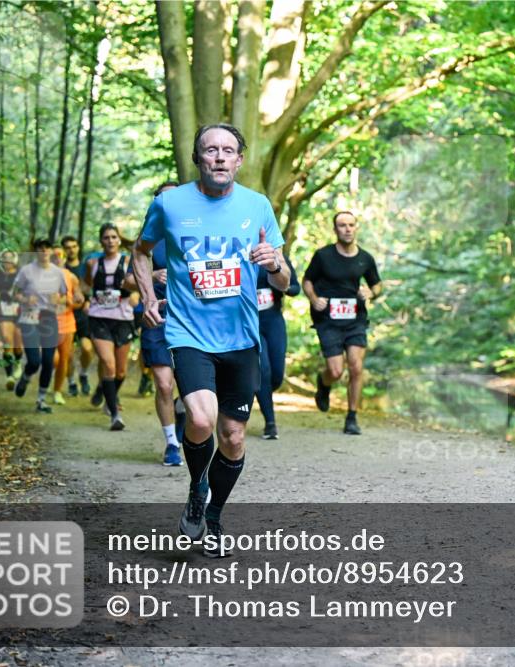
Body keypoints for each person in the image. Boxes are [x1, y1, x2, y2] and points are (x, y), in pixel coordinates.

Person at [134, 123, 289, 557]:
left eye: (227, 151)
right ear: (198, 159)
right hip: (189, 333)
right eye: (210, 150)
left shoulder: (257, 207)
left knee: (234, 437)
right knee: (200, 421)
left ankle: (214, 513)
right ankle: (195, 490)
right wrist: (149, 296)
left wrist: (273, 262)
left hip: (241, 338)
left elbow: (283, 279)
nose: (219, 157)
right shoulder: (169, 203)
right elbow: (140, 251)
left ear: (239, 160)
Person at [303, 211, 382, 435]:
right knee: (336, 371)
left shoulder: (365, 258)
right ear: (335, 229)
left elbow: (377, 284)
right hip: (328, 319)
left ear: (356, 228)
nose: (347, 229)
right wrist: (314, 299)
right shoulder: (323, 256)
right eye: (342, 225)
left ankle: (352, 417)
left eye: (350, 225)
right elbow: (307, 280)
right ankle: (324, 382)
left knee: (356, 366)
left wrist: (371, 292)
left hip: (355, 319)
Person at [125, 180, 183, 466]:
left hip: (191, 319)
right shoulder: (147, 240)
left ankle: (183, 412)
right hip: (157, 317)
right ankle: (172, 442)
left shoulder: (194, 232)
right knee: (163, 384)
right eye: (163, 198)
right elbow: (127, 279)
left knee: (189, 386)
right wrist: (153, 275)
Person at [85, 223, 135, 431]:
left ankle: (104, 391)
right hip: (99, 318)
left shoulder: (127, 261)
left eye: (114, 237)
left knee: (121, 372)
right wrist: (83, 297)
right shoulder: (92, 263)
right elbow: (86, 284)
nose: (111, 241)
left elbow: (137, 283)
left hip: (123, 319)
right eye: (106, 237)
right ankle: (115, 414)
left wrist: (135, 294)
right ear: (101, 241)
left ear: (119, 240)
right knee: (109, 364)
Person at [12, 239, 67, 413]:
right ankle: (26, 378)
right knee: (34, 361)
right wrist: (25, 299)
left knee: (48, 361)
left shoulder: (58, 273)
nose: (44, 252)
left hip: (48, 317)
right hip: (29, 317)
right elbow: (15, 293)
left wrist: (58, 300)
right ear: (36, 251)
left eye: (47, 249)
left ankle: (41, 400)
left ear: (52, 251)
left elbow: (65, 297)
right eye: (40, 249)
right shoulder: (26, 271)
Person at [253, 254, 300, 439]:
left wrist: (285, 286)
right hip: (249, 322)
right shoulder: (236, 255)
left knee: (276, 375)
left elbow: (295, 287)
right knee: (263, 369)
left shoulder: (277, 256)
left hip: (273, 320)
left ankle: (259, 391)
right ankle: (270, 423)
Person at [51, 247, 84, 405]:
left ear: (64, 258)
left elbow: (78, 299)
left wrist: (77, 301)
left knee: (64, 359)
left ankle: (57, 391)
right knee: (53, 359)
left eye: (60, 255)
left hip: (67, 322)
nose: (58, 258)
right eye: (54, 256)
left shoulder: (71, 277)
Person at [61, 235, 94, 396]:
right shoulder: (60, 270)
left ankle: (83, 374)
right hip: (66, 315)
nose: (71, 250)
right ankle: (71, 382)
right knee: (68, 353)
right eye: (68, 247)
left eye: (74, 246)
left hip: (82, 316)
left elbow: (90, 289)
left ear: (78, 248)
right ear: (63, 250)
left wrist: (88, 301)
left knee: (87, 349)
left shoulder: (84, 268)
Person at [0, 250, 24, 390]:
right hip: (3, 310)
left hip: (18, 310)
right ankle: (9, 376)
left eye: (9, 258)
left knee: (17, 343)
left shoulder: (21, 274)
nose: (7, 261)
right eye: (4, 258)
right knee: (7, 340)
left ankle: (18, 362)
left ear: (15, 259)